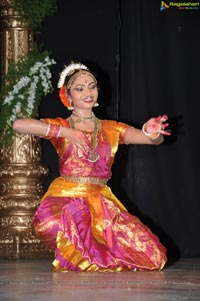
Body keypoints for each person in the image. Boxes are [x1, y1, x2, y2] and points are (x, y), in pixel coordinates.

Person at [13, 62, 171, 272]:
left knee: (153, 256)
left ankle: (93, 256)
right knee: (52, 224)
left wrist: (152, 131)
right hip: (67, 195)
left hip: (100, 202)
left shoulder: (110, 128)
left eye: (92, 86)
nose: (88, 92)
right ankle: (86, 255)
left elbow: (152, 140)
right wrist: (66, 133)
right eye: (80, 88)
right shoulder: (62, 125)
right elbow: (18, 125)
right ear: (68, 97)